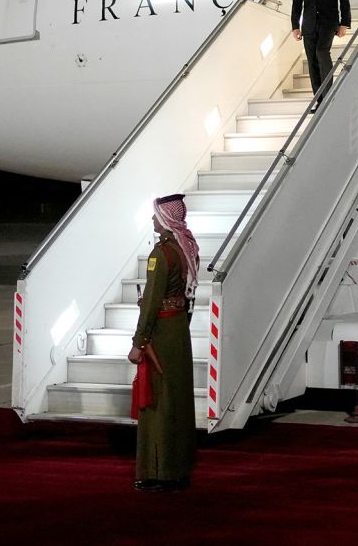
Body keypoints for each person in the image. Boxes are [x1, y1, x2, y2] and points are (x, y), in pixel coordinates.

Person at [127, 193, 199, 492]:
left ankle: (160, 471)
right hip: (179, 328)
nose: (152, 220)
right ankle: (180, 468)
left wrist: (139, 341)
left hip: (162, 332)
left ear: (166, 218)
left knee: (158, 401)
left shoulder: (161, 254)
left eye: (155, 215)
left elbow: (154, 301)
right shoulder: (187, 247)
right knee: (179, 399)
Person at [290, 0, 350, 102]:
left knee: (321, 52)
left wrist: (344, 23)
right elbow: (297, 1)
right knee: (311, 61)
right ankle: (319, 100)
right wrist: (295, 26)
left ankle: (329, 95)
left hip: (328, 22)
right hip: (308, 24)